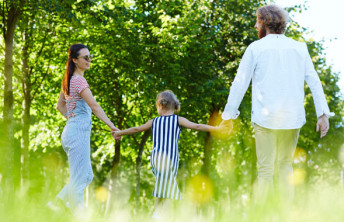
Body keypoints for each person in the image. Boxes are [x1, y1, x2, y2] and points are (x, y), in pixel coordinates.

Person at [220, 5, 334, 203]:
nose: (255, 25)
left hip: (265, 118)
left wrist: (228, 116)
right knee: (285, 167)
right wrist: (322, 114)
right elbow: (314, 81)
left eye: (257, 21)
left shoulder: (255, 48)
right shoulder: (299, 48)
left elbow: (240, 84)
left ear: (263, 23)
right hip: (292, 118)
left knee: (265, 171)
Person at [112, 90, 227, 218]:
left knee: (162, 183)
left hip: (156, 158)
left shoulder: (154, 121)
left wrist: (119, 133)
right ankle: (160, 214)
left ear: (160, 106)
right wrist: (216, 129)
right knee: (168, 187)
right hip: (169, 158)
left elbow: (136, 129)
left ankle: (159, 213)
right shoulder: (178, 120)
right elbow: (198, 126)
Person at [54, 44, 120, 211]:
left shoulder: (69, 80)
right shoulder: (78, 80)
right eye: (85, 57)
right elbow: (94, 106)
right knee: (79, 180)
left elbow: (60, 107)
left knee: (86, 176)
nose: (89, 60)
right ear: (75, 60)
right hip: (76, 134)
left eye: (90, 56)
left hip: (73, 131)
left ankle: (57, 203)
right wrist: (112, 127)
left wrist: (73, 119)